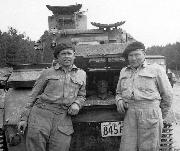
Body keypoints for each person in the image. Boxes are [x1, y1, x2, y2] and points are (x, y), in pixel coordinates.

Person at [18, 43, 86, 151]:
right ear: (57, 57)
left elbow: (82, 95)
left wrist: (77, 104)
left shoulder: (81, 74)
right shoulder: (47, 72)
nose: (67, 56)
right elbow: (33, 96)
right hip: (41, 114)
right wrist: (24, 118)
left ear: (74, 55)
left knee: (61, 147)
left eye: (69, 53)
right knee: (35, 147)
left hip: (63, 117)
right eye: (63, 54)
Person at [115, 41, 173, 151]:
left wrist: (159, 114)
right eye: (130, 55)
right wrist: (119, 101)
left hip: (150, 114)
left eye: (137, 55)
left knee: (149, 148)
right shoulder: (124, 71)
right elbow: (118, 92)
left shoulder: (156, 70)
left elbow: (168, 95)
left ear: (144, 54)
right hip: (130, 115)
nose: (133, 58)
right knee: (127, 148)